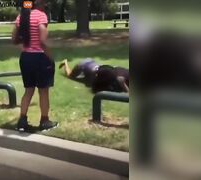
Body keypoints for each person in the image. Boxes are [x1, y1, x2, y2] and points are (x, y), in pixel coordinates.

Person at [12, 0, 58, 132]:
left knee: (28, 90)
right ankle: (44, 121)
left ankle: (22, 121)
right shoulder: (41, 16)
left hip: (26, 58)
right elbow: (43, 42)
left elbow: (14, 39)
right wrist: (50, 56)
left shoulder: (22, 16)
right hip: (40, 58)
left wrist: (27, 40)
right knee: (43, 91)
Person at [59, 59, 129, 93]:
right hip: (84, 65)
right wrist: (127, 91)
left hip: (92, 64)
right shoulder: (122, 76)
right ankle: (65, 63)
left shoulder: (124, 71)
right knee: (70, 75)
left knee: (88, 82)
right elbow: (120, 79)